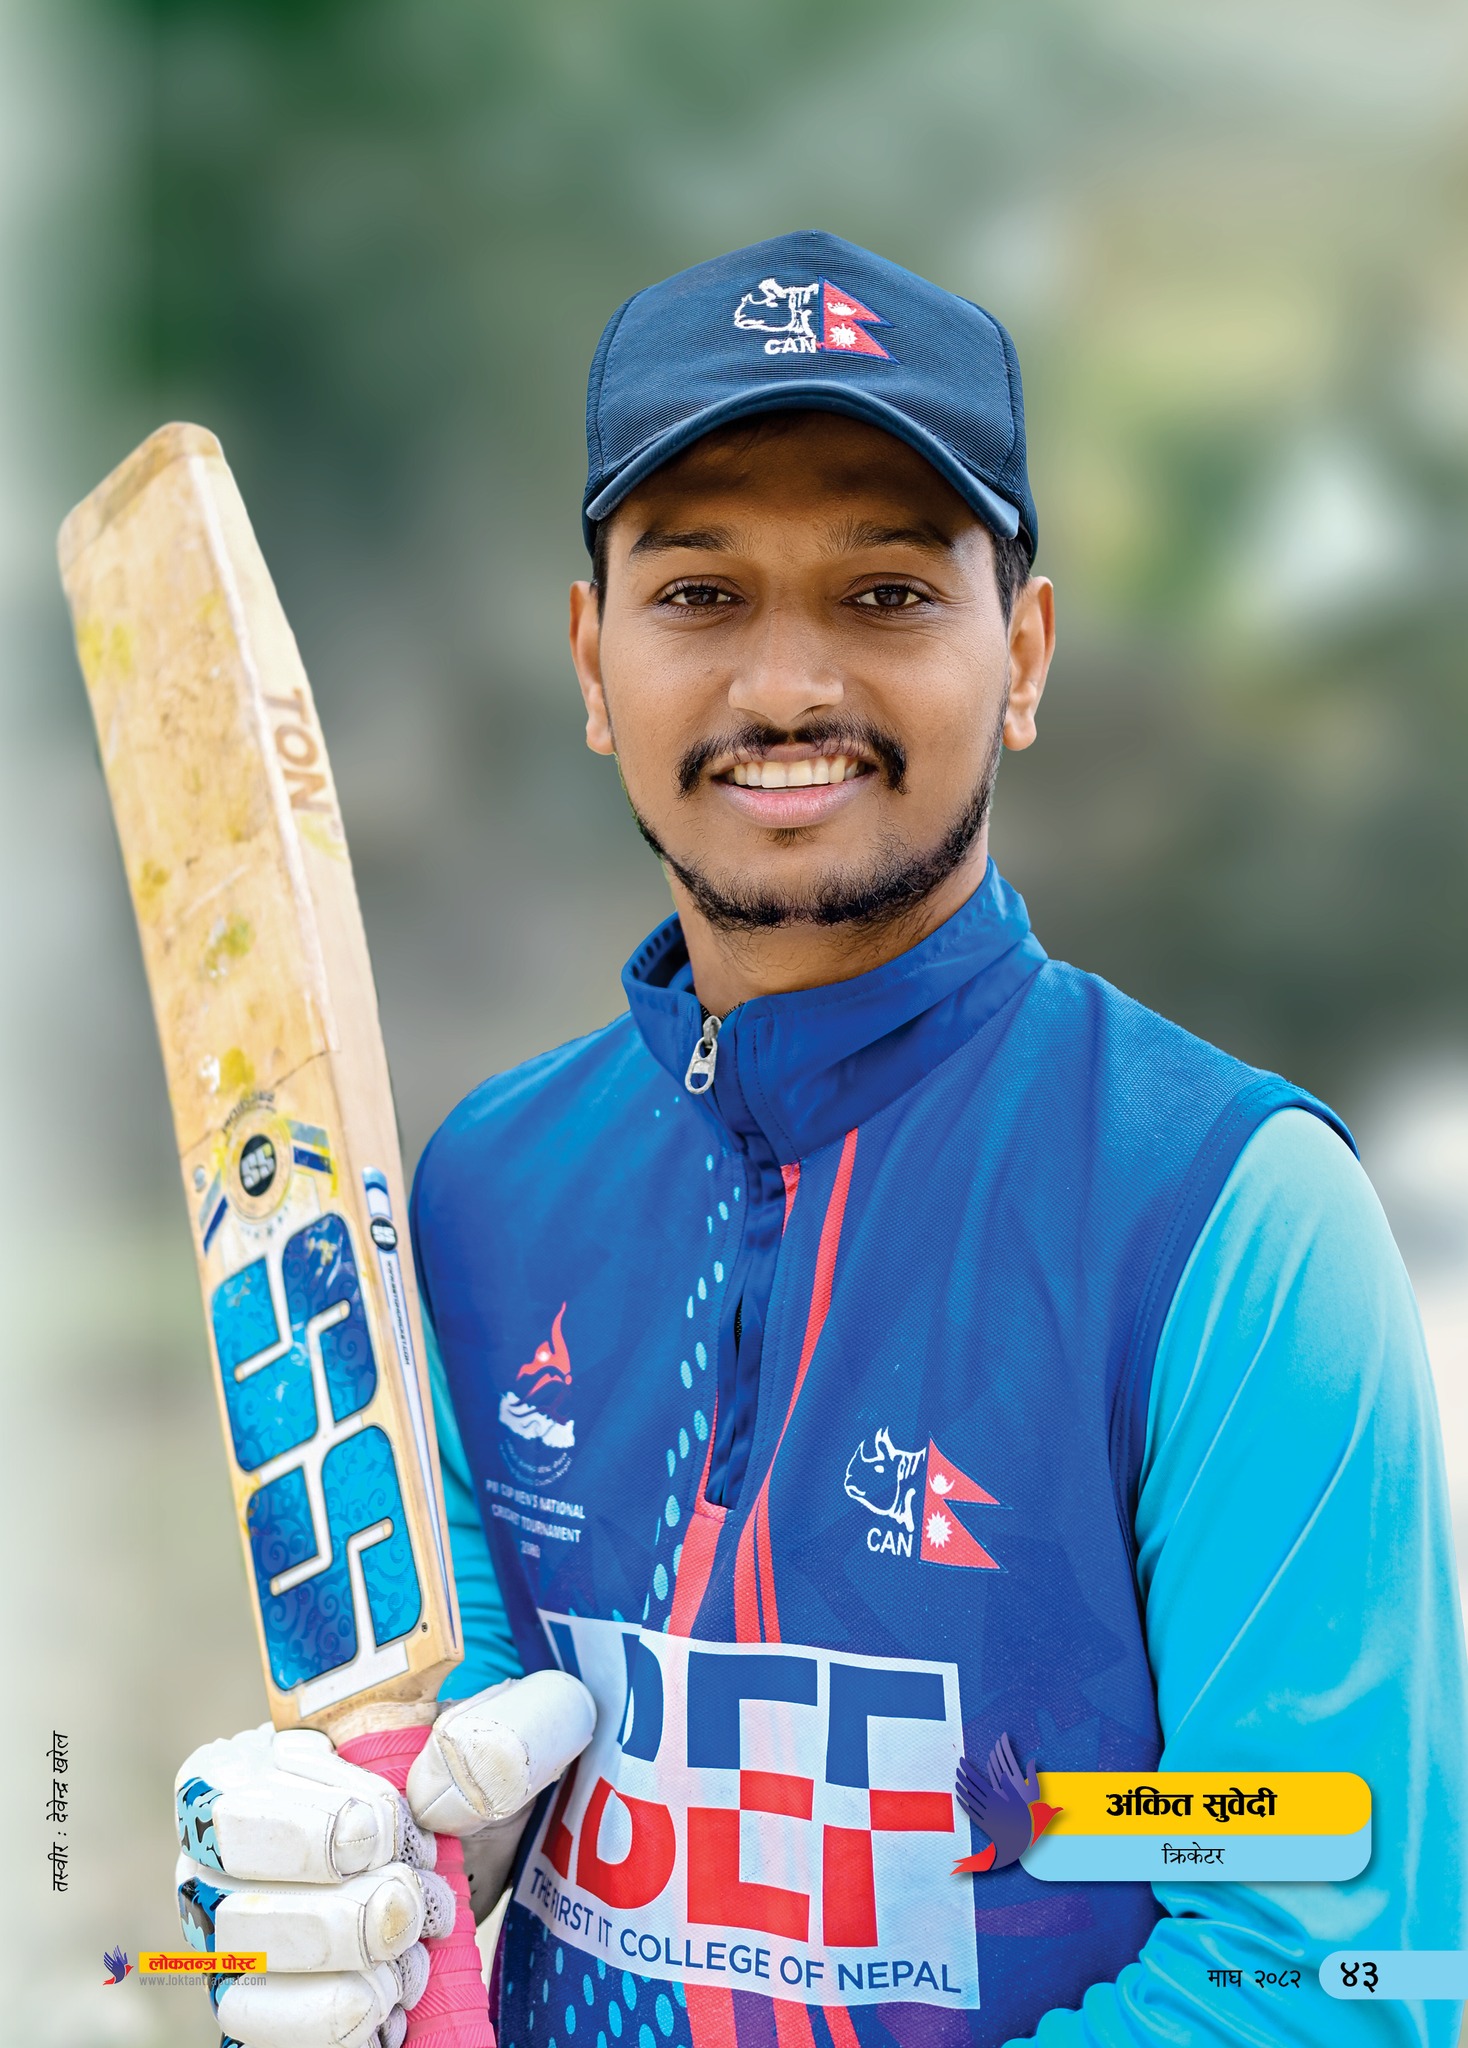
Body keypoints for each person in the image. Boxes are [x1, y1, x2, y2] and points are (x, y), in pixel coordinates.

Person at [173, 230, 1466, 2048]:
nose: (785, 685)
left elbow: (1324, 1971)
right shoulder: (481, 1195)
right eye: (701, 592)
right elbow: (461, 1770)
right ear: (592, 661)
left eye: (886, 593)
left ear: (1022, 653)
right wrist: (354, 1885)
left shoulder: (1230, 1216)